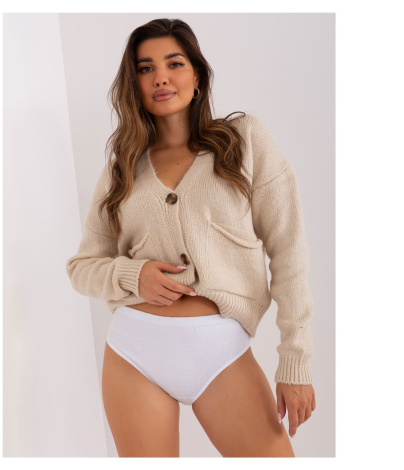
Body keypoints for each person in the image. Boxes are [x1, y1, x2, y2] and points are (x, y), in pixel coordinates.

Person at [66, 18, 316, 458]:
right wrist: (133, 275)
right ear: (134, 84)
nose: (160, 77)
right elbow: (82, 268)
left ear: (197, 75)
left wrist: (295, 361)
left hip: (220, 351)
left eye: (174, 63)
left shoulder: (245, 141)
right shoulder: (122, 168)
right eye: (145, 68)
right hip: (134, 351)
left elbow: (288, 251)